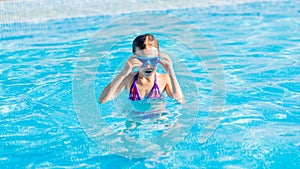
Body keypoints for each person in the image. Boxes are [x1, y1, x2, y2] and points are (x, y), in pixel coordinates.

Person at [98, 33, 183, 104]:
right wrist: (123, 73)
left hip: (158, 120)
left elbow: (179, 101)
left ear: (159, 58)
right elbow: (102, 100)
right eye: (142, 60)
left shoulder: (164, 79)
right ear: (134, 59)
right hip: (134, 120)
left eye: (153, 60)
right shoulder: (128, 79)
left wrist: (171, 73)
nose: (148, 66)